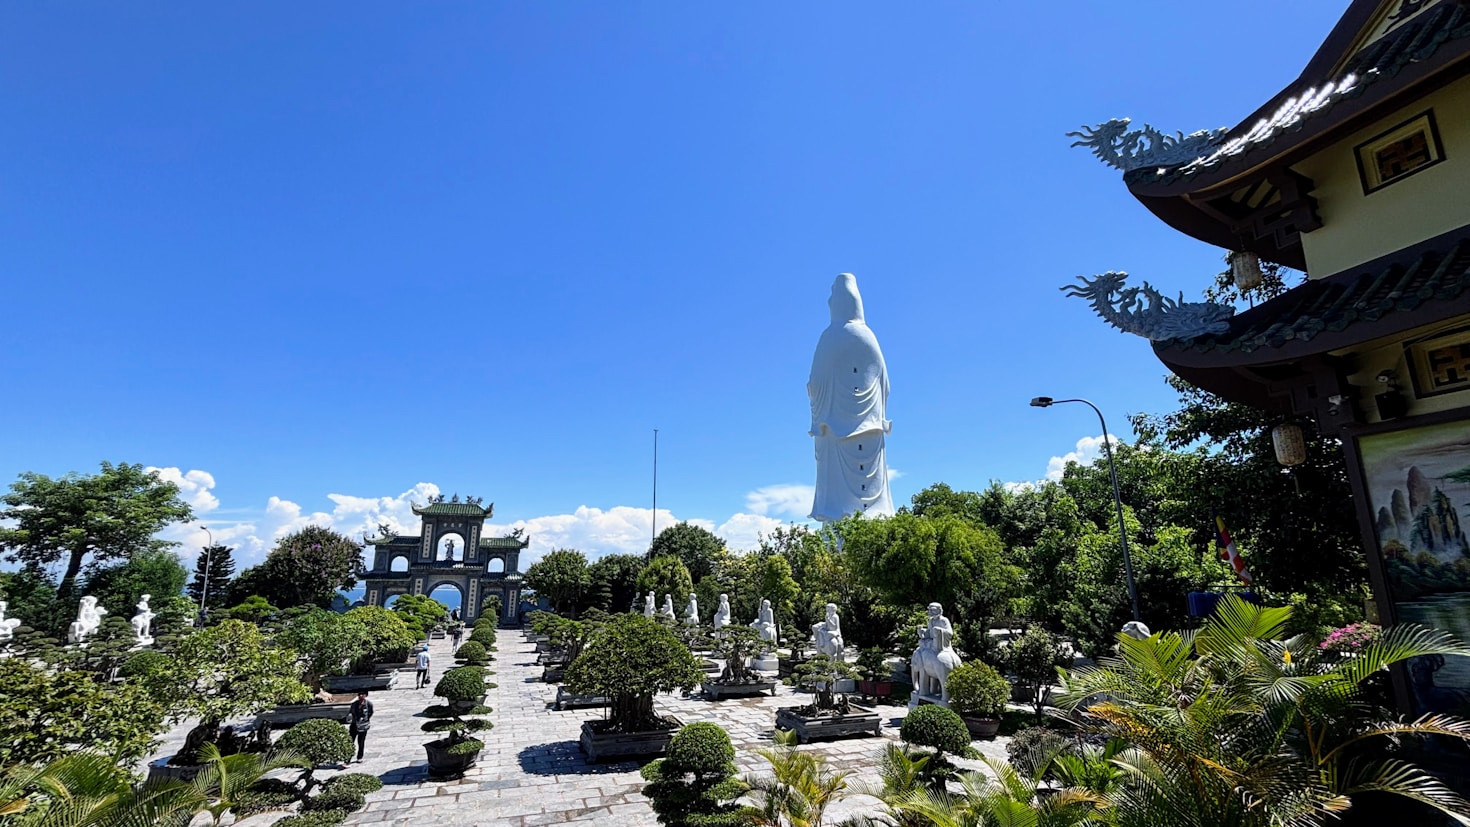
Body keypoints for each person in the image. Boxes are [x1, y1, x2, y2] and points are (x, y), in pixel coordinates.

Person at [348, 690, 374, 763]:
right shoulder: (354, 704)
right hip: (354, 724)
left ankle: (360, 757)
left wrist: (365, 720)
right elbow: (351, 713)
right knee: (350, 741)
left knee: (361, 742)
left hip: (363, 725)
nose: (361, 696)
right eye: (359, 694)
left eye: (363, 694)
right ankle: (347, 759)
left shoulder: (369, 704)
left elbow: (370, 713)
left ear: (366, 695)